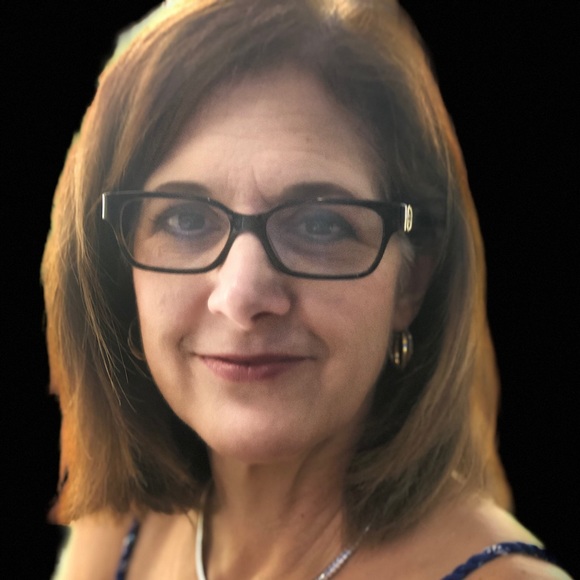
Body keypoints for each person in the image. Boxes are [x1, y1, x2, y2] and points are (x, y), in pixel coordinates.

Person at [41, 0, 572, 578]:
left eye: (320, 225)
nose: (241, 297)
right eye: (185, 220)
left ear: (411, 283)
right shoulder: (118, 530)